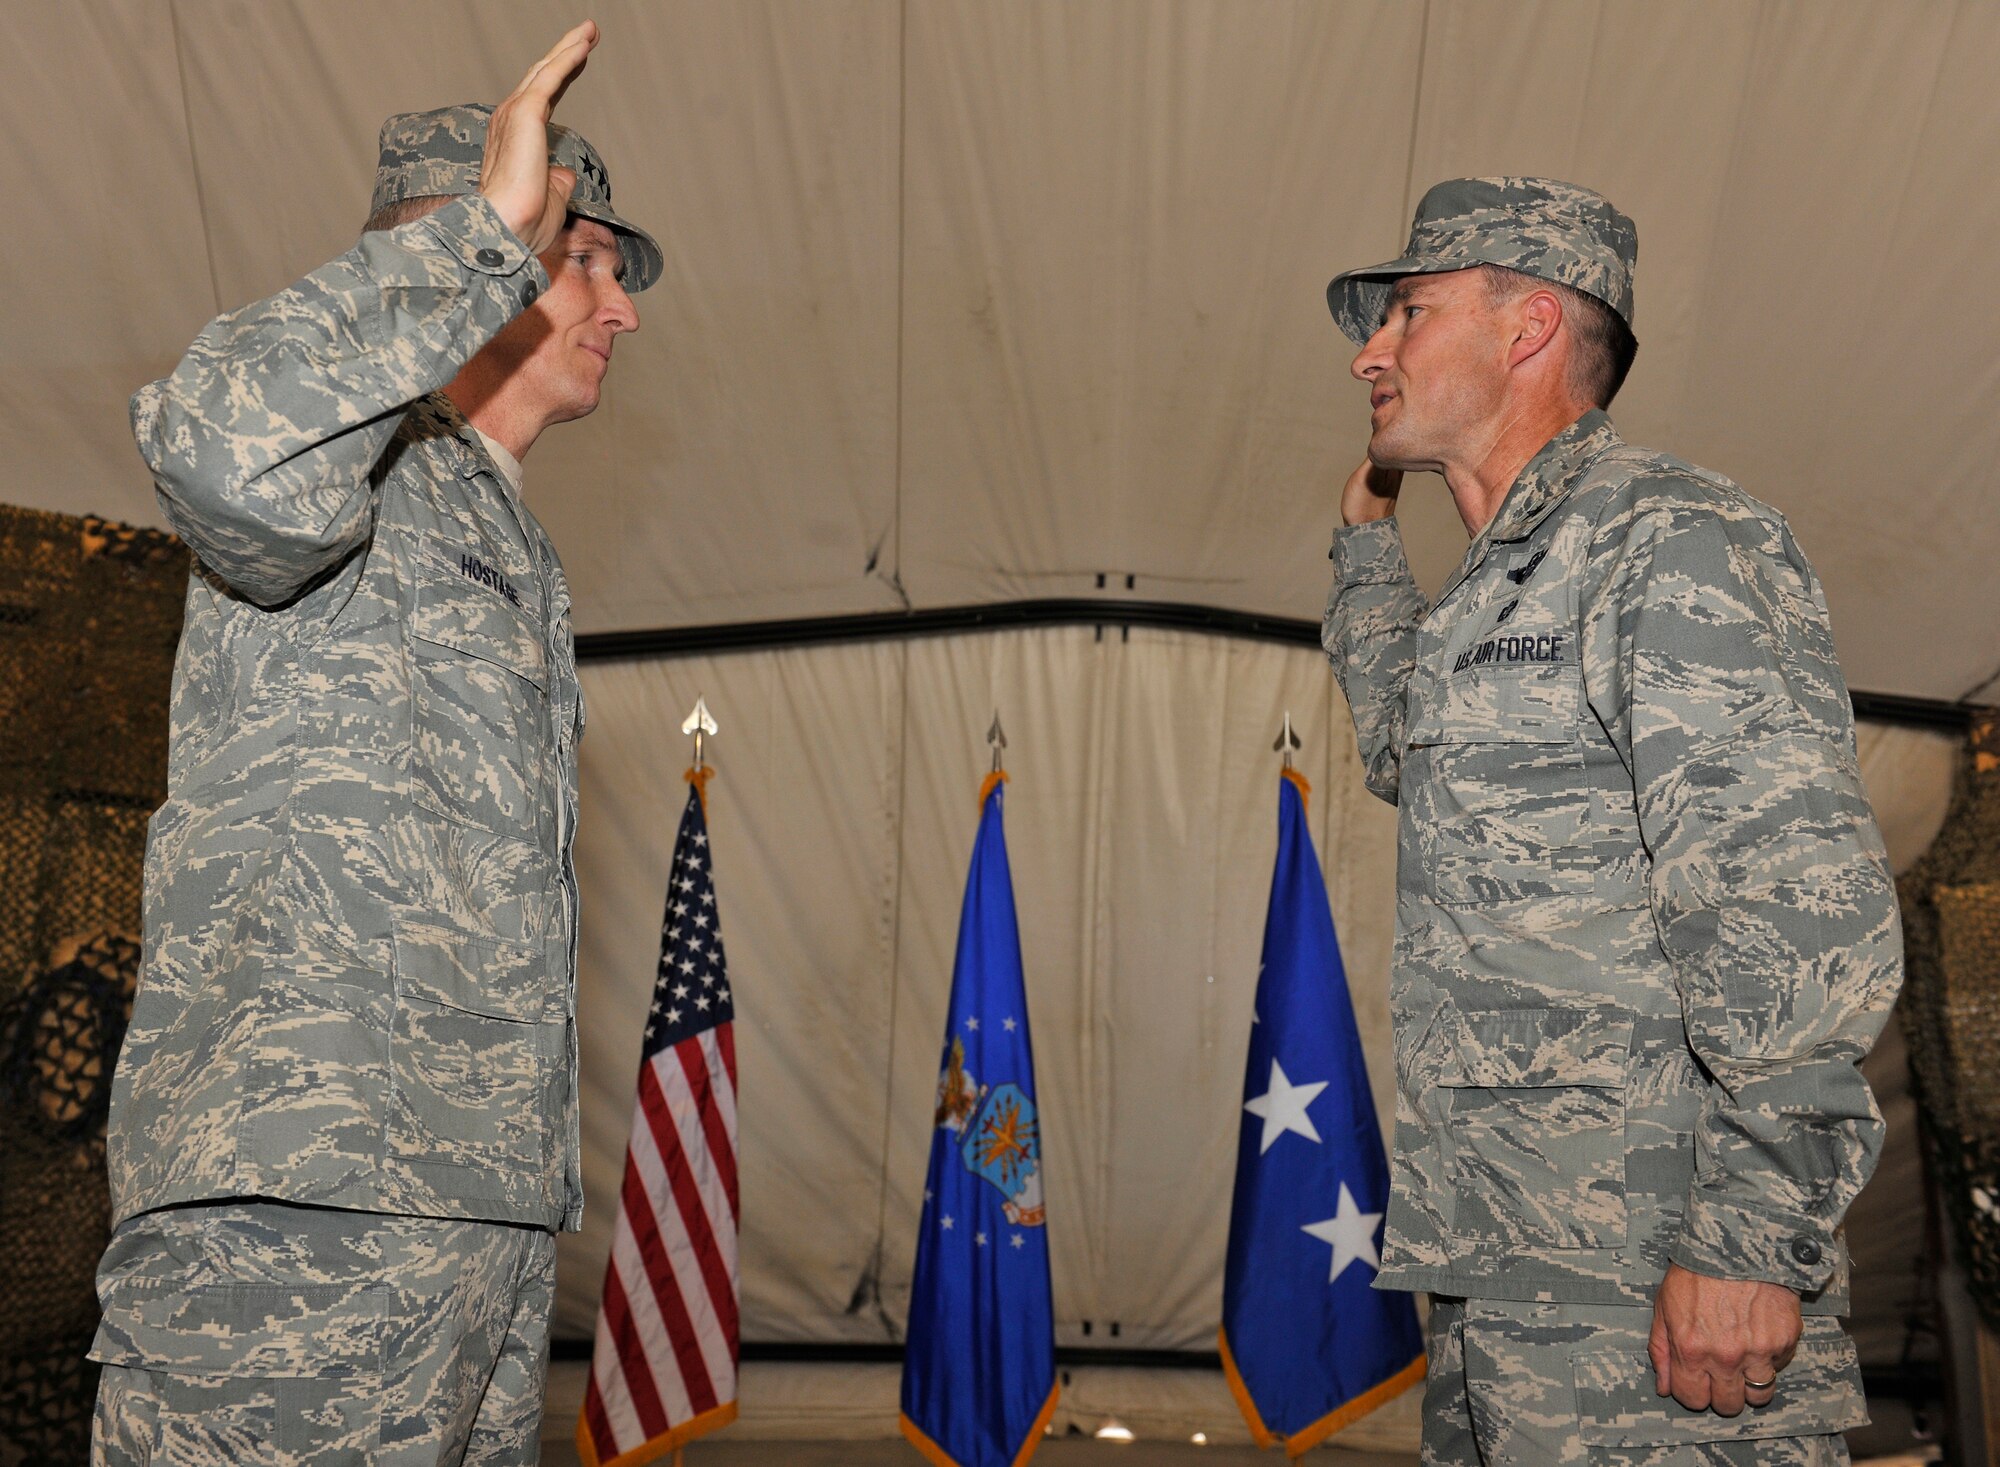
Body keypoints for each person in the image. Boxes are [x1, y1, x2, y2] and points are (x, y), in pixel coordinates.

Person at [88, 21, 658, 1463]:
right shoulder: (348, 470)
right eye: (588, 256)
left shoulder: (499, 526)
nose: (625, 308)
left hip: (472, 1219)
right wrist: (478, 240)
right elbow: (209, 440)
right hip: (302, 1213)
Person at [1319, 177, 1901, 1464]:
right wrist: (1366, 545)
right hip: (1503, 1275)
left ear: (1526, 329)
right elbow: (1409, 746)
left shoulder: (1668, 538)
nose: (1369, 351)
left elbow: (1789, 903)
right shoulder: (1500, 581)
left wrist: (1749, 1241)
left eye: (1406, 313)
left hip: (1655, 1290)